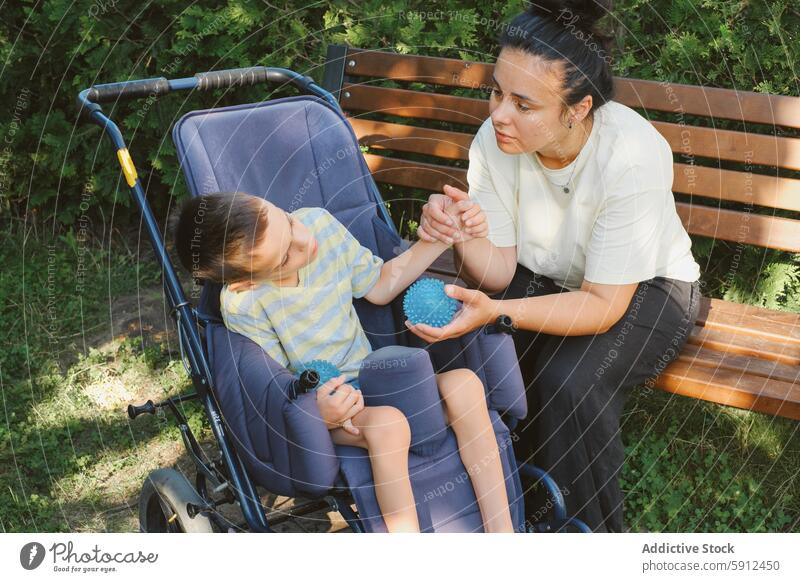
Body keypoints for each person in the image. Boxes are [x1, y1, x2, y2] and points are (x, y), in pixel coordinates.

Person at [409, 0, 701, 532]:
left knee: (570, 383)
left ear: (577, 109)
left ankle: (586, 541)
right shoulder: (495, 140)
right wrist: (461, 235)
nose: (499, 114)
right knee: (477, 354)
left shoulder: (632, 154)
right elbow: (496, 272)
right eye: (496, 92)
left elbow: (602, 305)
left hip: (648, 290)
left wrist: (497, 310)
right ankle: (498, 524)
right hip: (547, 278)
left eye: (524, 104)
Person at [170, 191, 512, 532]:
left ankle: (503, 532)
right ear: (247, 281)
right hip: (332, 400)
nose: (305, 241)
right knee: (388, 426)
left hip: (373, 374)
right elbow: (274, 381)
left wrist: (440, 237)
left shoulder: (317, 223)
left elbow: (377, 286)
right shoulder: (246, 303)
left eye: (288, 222)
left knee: (465, 385)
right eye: (286, 256)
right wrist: (318, 413)